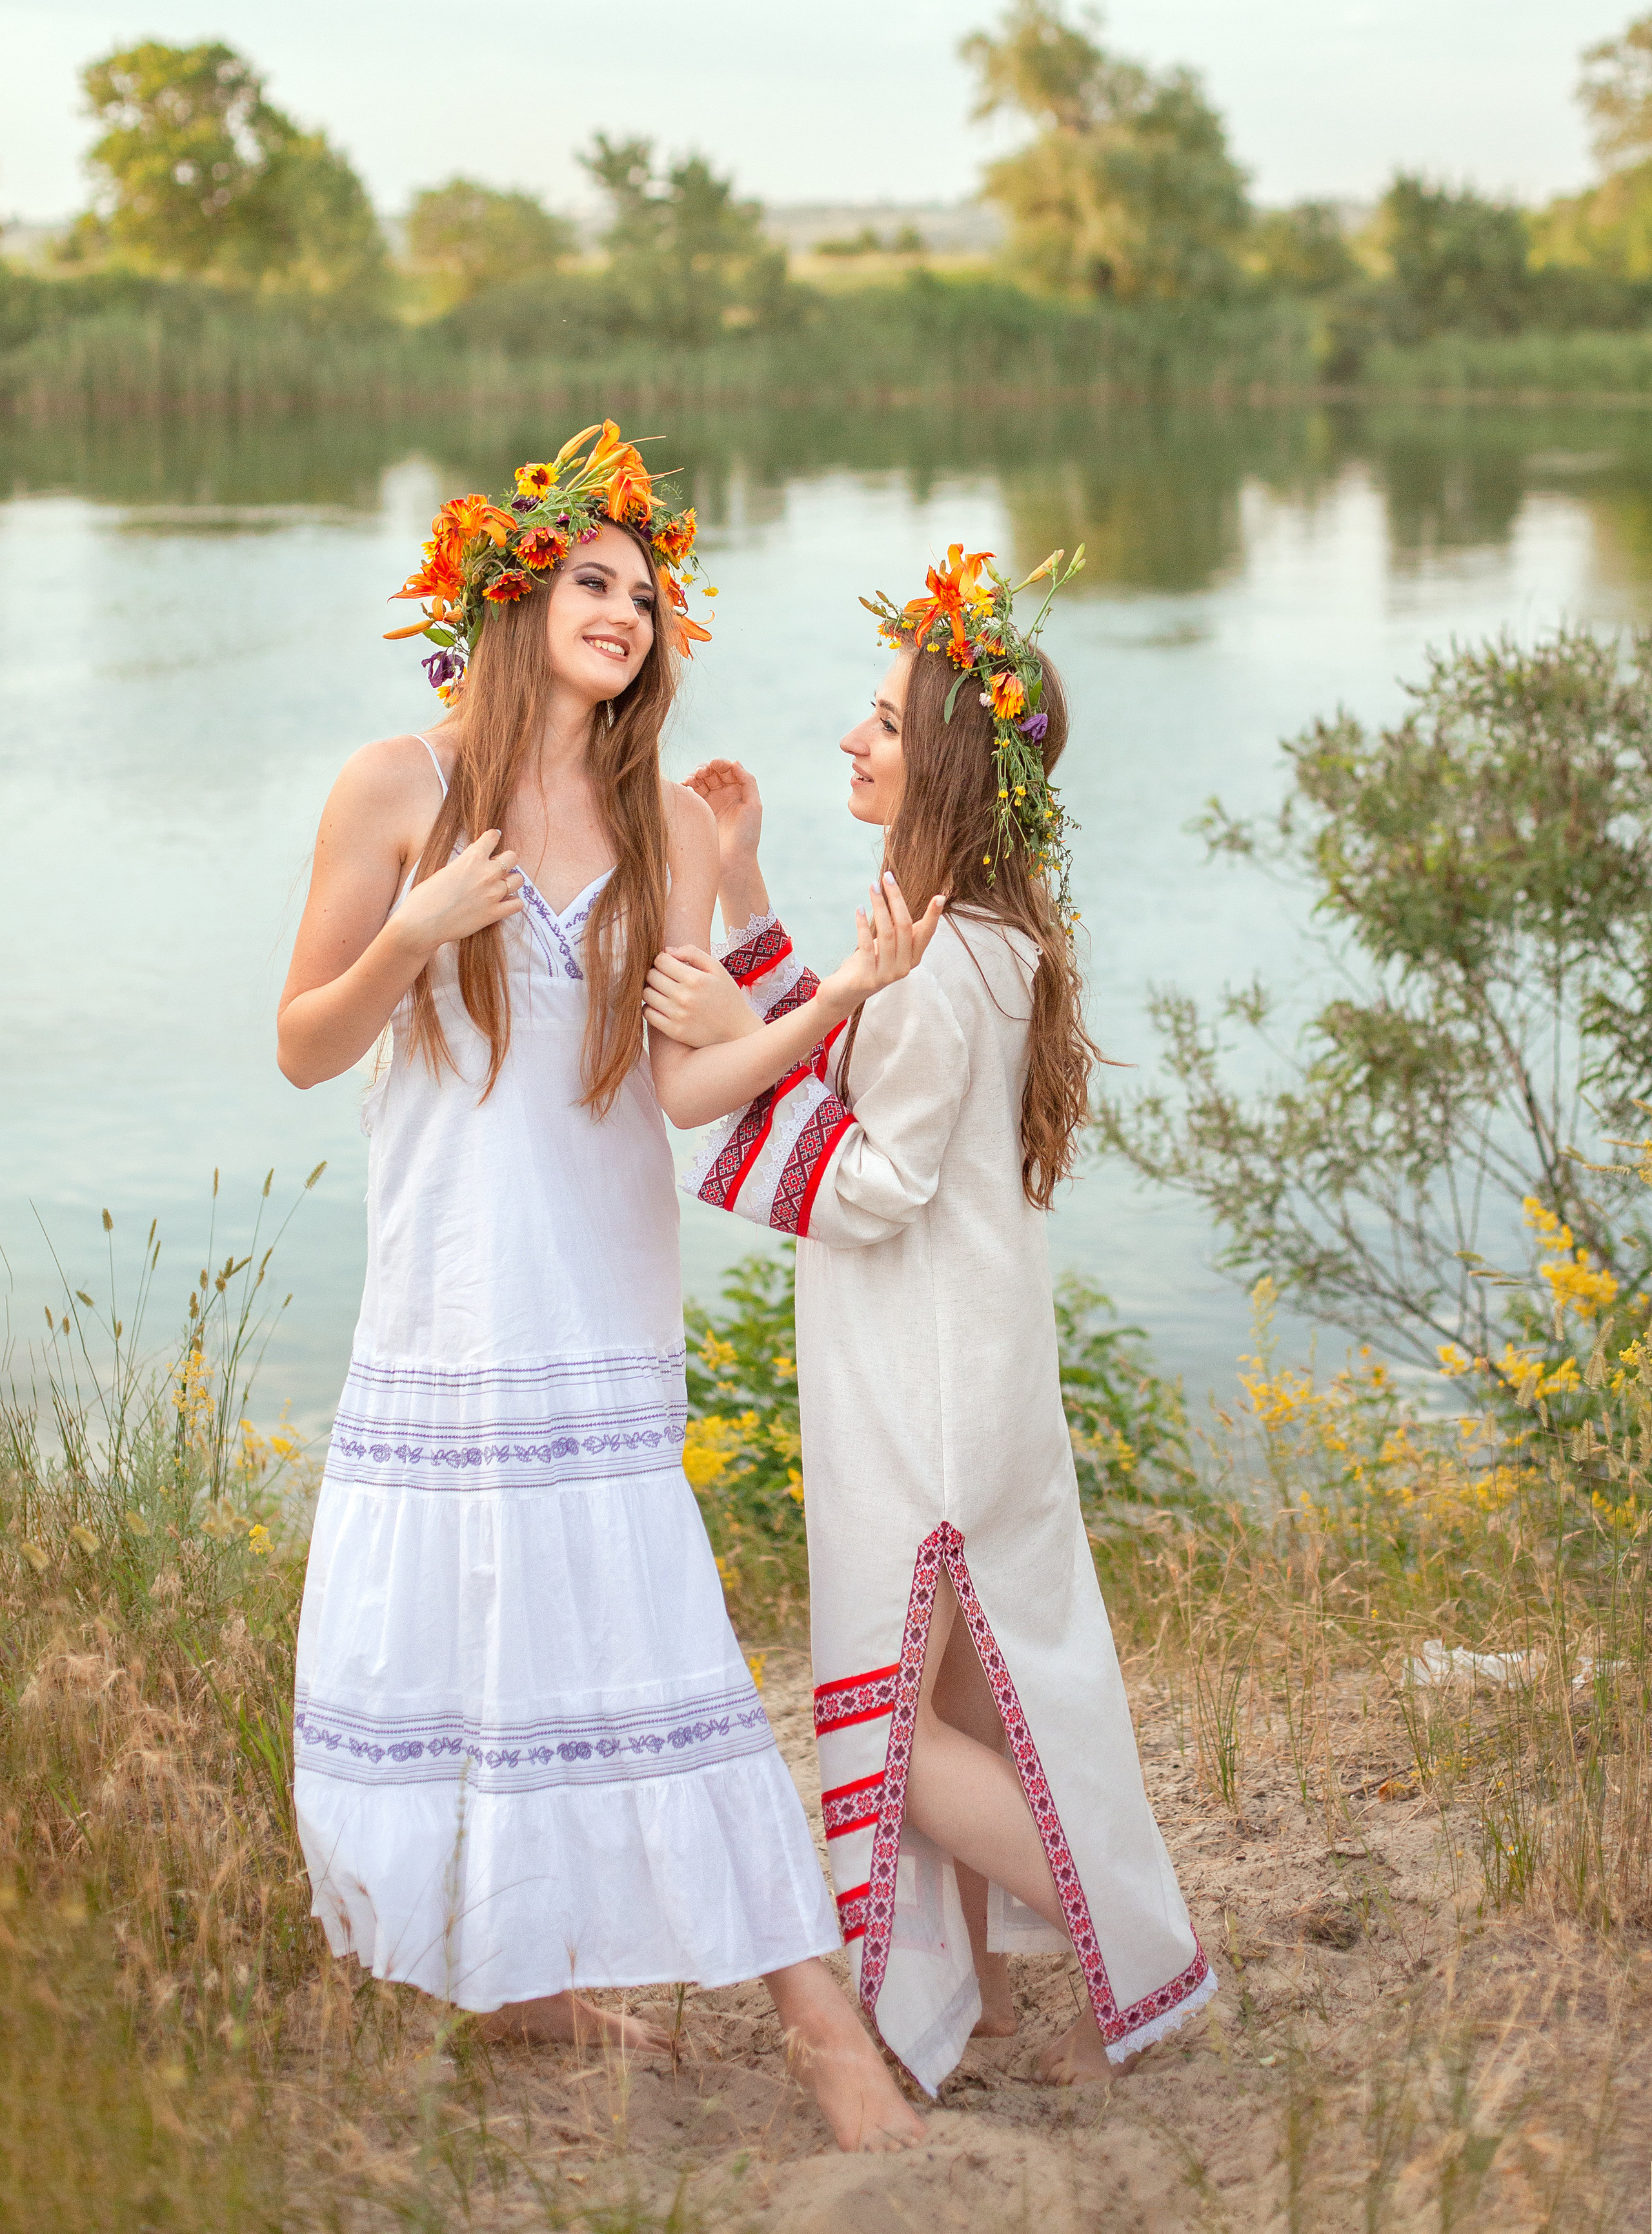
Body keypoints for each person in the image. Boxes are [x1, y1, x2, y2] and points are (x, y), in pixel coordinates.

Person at [276, 423, 926, 2152]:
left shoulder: (674, 830)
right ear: (515, 593)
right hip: (447, 1305)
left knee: (666, 1651)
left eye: (645, 593)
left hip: (598, 1303)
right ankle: (528, 1984)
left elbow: (690, 1095)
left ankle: (823, 2037)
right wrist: (416, 933)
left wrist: (842, 985)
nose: (627, 611)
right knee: (478, 1628)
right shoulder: (397, 788)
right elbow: (298, 1045)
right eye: (593, 580)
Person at [641, 543, 1215, 2097]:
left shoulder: (941, 957)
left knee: (893, 1742)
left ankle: (1133, 1933)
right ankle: (985, 2015)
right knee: (969, 1695)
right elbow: (846, 1066)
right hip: (967, 1367)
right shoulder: (970, 933)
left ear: (950, 757)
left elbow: (874, 1171)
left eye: (884, 719)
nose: (852, 736)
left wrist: (724, 1034)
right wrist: (752, 897)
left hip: (926, 1387)